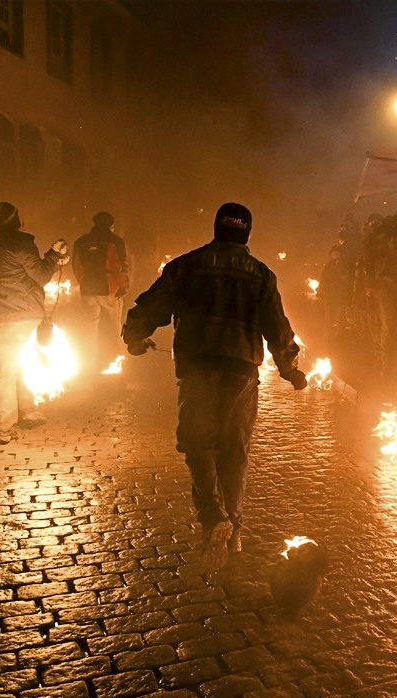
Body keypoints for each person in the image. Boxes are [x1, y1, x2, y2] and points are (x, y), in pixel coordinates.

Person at [122, 202, 308, 570]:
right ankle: (233, 529)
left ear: (216, 228)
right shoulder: (261, 275)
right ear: (247, 233)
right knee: (234, 450)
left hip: (197, 366)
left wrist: (134, 337)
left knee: (198, 444)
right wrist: (290, 370)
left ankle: (212, 516)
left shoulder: (187, 266)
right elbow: (278, 327)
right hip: (241, 371)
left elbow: (151, 306)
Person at [0, 201, 69, 444]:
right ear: (15, 220)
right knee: (23, 363)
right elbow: (40, 275)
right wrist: (54, 256)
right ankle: (25, 412)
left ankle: (6, 425)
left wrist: (52, 258)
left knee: (6, 369)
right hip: (23, 314)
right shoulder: (20, 243)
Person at [361, 201, 397, 379]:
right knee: (390, 326)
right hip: (386, 286)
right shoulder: (384, 233)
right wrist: (370, 283)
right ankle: (386, 366)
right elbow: (369, 258)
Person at [72, 211, 128, 371]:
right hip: (111, 289)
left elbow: (76, 266)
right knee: (115, 327)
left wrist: (83, 282)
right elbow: (122, 265)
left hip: (88, 288)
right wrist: (123, 286)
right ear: (110, 225)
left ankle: (88, 364)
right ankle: (118, 361)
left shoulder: (81, 241)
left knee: (88, 328)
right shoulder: (115, 241)